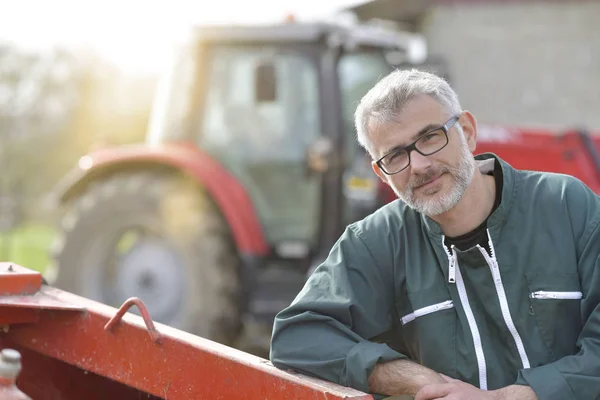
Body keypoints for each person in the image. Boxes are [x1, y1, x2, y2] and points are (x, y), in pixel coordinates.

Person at [269, 69, 600, 400]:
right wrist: (417, 381)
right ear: (381, 173)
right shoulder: (376, 243)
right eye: (395, 155)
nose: (419, 165)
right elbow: (297, 336)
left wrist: (505, 398)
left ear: (468, 132)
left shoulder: (566, 206)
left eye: (430, 137)